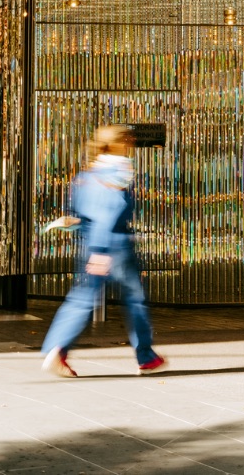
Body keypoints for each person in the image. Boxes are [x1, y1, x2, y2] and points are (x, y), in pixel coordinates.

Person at [40, 124, 168, 377]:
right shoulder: (119, 168)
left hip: (90, 241)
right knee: (135, 300)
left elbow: (83, 211)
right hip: (114, 245)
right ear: (117, 143)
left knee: (81, 298)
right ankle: (146, 357)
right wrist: (101, 250)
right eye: (127, 140)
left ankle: (57, 348)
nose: (130, 144)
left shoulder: (88, 173)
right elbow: (110, 209)